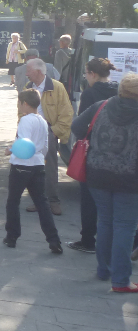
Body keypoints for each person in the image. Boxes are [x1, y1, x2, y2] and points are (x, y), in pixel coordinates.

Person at [72, 73, 138, 292]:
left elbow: (76, 127)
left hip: (97, 174)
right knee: (124, 227)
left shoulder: (101, 105)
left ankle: (104, 269)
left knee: (106, 222)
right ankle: (121, 280)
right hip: (130, 178)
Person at [68, 58, 119, 254]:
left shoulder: (90, 93)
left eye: (86, 73)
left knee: (89, 199)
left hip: (94, 153)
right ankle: (111, 241)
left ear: (93, 74)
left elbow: (81, 125)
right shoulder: (119, 91)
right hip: (116, 153)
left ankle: (88, 239)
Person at [3, 89, 62, 253]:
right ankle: (54, 239)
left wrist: (10, 150)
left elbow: (23, 144)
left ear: (25, 104)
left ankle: (12, 236)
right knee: (42, 203)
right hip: (37, 165)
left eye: (20, 103)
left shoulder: (25, 121)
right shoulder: (43, 121)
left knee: (13, 201)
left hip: (22, 165)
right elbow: (44, 146)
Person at [21, 57, 73, 216]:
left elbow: (67, 113)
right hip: (31, 131)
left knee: (49, 167)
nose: (26, 73)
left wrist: (54, 132)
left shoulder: (57, 87)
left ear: (37, 71)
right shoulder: (28, 87)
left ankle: (53, 201)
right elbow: (20, 110)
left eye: (28, 70)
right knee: (32, 168)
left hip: (49, 131)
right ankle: (38, 200)